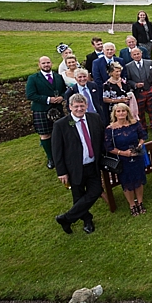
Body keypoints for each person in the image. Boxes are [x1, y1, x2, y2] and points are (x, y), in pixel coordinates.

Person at [52, 94, 104, 234]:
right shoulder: (61, 125)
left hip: (93, 165)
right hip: (74, 168)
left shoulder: (95, 118)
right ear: (70, 107)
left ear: (86, 106)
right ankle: (87, 220)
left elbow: (101, 139)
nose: (79, 109)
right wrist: (61, 172)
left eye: (82, 106)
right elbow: (57, 151)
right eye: (76, 106)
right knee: (78, 196)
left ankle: (66, 218)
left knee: (96, 191)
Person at [105, 103, 148, 216]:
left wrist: (139, 146)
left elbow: (143, 136)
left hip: (137, 156)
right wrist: (123, 153)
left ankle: (140, 202)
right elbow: (108, 147)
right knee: (127, 182)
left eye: (123, 111)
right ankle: (132, 205)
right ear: (114, 113)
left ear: (127, 112)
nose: (121, 113)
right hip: (122, 159)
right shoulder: (110, 129)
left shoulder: (134, 124)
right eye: (118, 111)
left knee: (139, 180)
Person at [125, 47, 152, 138]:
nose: (136, 56)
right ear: (131, 56)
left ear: (141, 53)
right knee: (140, 111)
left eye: (138, 54)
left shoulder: (149, 63)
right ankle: (143, 127)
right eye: (134, 54)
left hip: (150, 90)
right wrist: (135, 85)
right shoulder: (128, 66)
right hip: (138, 93)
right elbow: (128, 80)